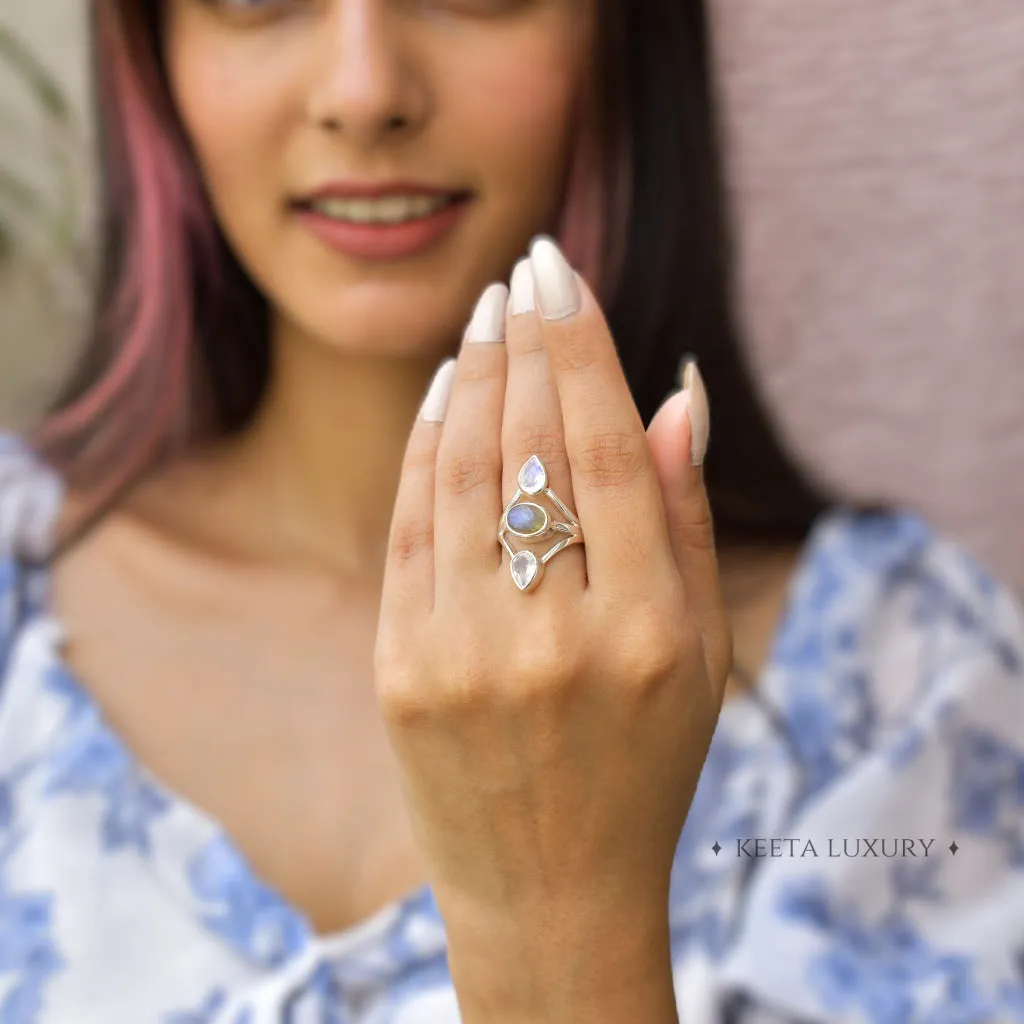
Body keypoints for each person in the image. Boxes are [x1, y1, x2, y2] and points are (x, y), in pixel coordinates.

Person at [0, 0, 1021, 1021]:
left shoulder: (905, 685)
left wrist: (564, 923)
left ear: (622, 36)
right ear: (152, 46)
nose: (363, 93)